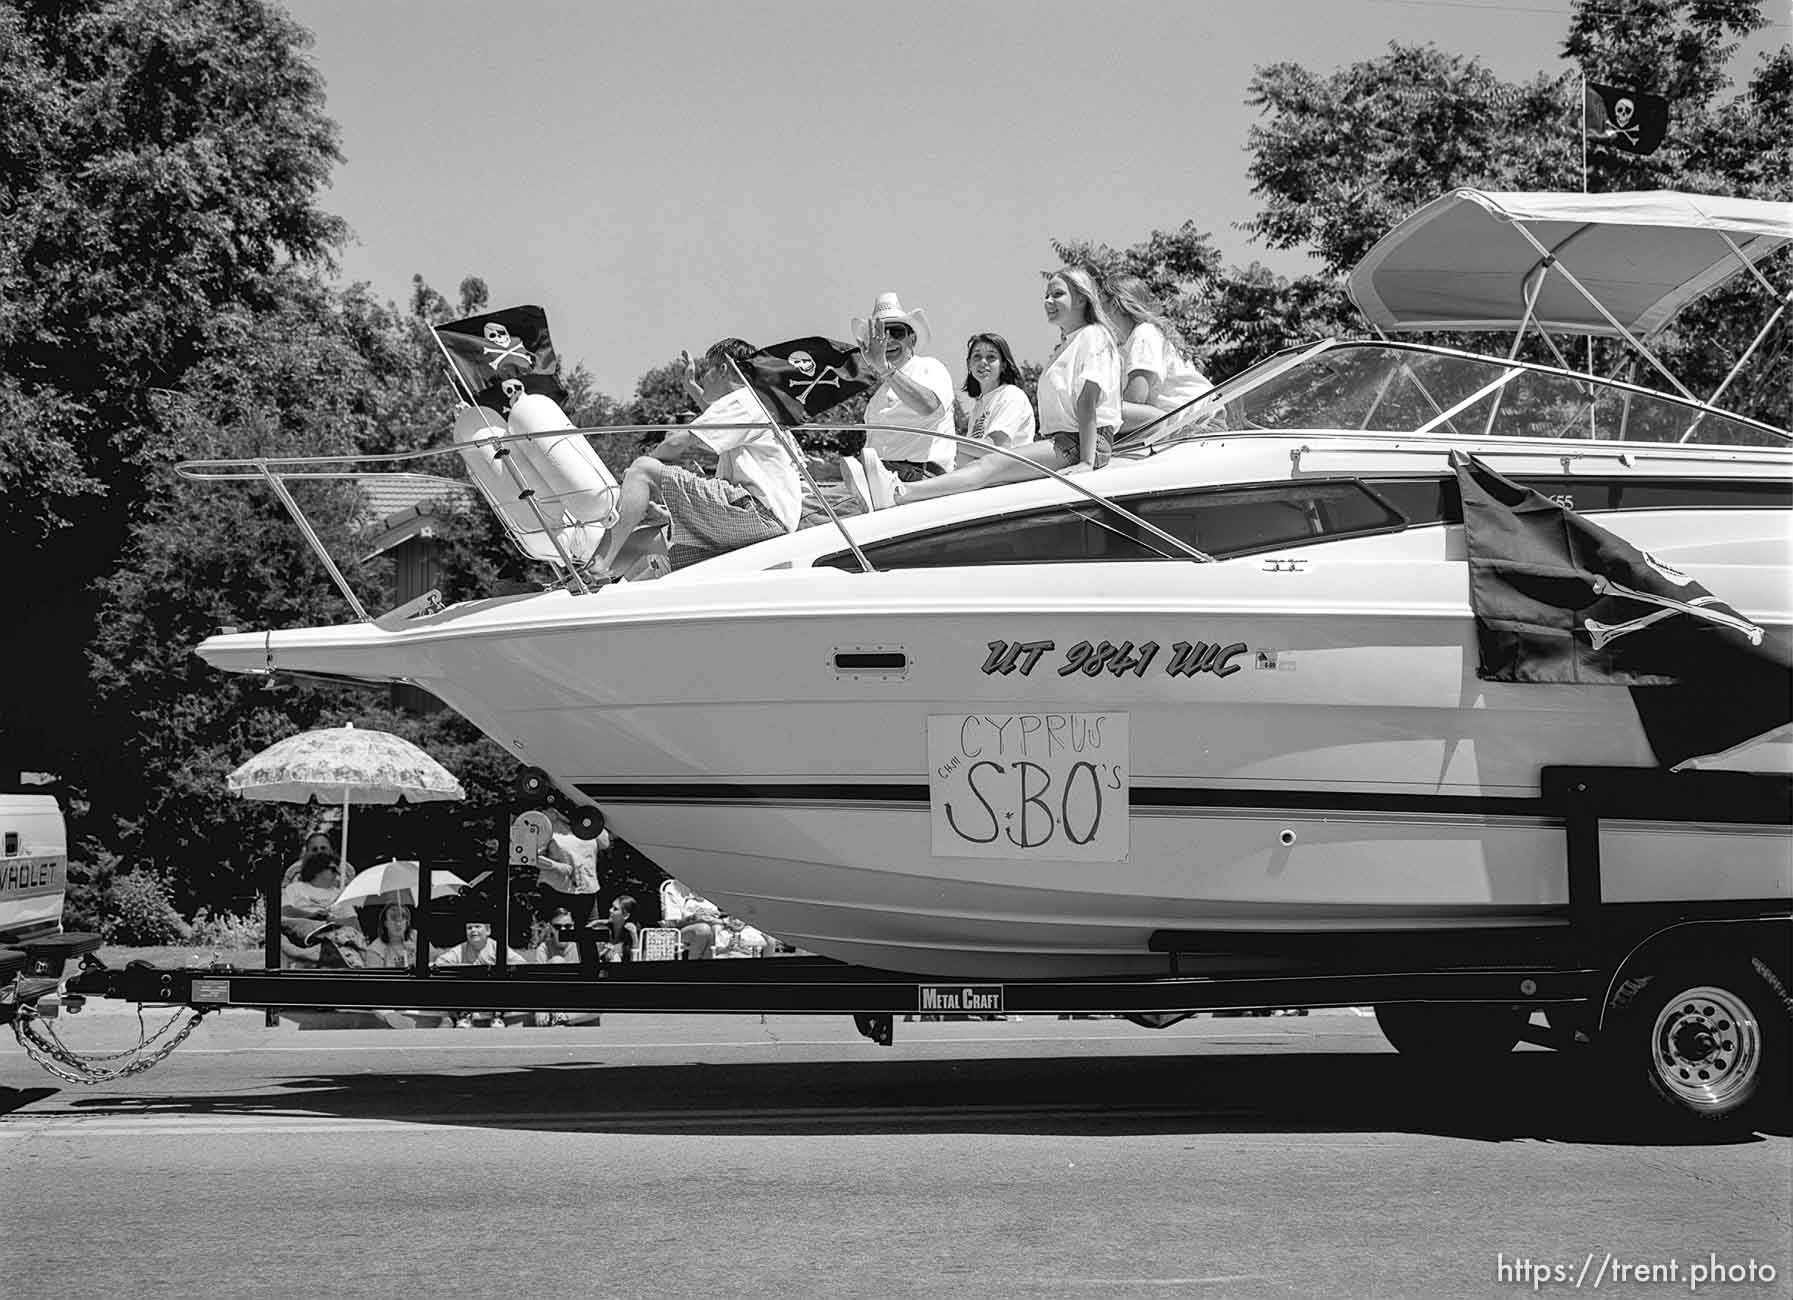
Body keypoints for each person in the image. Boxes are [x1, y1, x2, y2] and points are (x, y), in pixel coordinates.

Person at [845, 268, 1119, 510]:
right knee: (983, 465)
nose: (1048, 301)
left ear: (1082, 298)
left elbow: (1088, 400)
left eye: (1057, 294)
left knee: (990, 464)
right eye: (1047, 295)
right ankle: (894, 490)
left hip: (1077, 443)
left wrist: (1086, 461)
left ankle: (897, 492)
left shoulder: (1093, 335)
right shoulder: (1066, 345)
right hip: (1063, 442)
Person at [588, 338, 801, 575]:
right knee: (641, 541)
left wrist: (637, 477)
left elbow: (678, 442)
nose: (704, 377)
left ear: (723, 369)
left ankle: (597, 565)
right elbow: (714, 417)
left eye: (708, 369)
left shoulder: (745, 400)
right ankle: (591, 585)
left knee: (643, 468)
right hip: (762, 526)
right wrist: (690, 387)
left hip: (755, 515)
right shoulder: (757, 406)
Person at [853, 292, 957, 481]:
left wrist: (884, 368)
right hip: (881, 474)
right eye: (881, 334)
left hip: (920, 475)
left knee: (821, 507)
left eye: (897, 333)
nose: (889, 340)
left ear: (912, 339)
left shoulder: (930, 366)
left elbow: (929, 406)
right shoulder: (879, 393)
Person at [1104, 274, 1212, 438]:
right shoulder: (1129, 344)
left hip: (1202, 422)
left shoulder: (1143, 333)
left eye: (1099, 306)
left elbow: (1136, 397)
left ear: (1113, 305)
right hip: (1191, 421)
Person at [279, 849, 367, 969]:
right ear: (317, 869)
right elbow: (284, 911)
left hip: (334, 939)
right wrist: (311, 916)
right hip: (300, 937)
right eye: (332, 869)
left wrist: (331, 921)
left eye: (337, 870)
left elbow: (354, 923)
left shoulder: (340, 894)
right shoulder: (295, 888)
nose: (337, 874)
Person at [958, 332, 1036, 464]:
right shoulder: (979, 405)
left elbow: (995, 447)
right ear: (969, 365)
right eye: (977, 356)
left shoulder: (1011, 395)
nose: (983, 362)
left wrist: (948, 442)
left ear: (1003, 365)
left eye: (991, 357)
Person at [365, 902, 416, 969]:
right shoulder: (375, 950)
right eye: (393, 918)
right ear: (385, 923)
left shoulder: (416, 936)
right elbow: (375, 978)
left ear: (407, 922)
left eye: (402, 918)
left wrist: (418, 952)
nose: (398, 924)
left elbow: (433, 959)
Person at [598, 894, 640, 964]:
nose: (610, 910)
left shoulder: (632, 933)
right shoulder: (604, 928)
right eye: (612, 907)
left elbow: (636, 958)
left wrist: (634, 935)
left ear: (626, 915)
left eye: (615, 909)